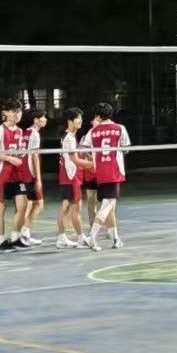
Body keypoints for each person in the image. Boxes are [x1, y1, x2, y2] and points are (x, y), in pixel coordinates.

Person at [85, 102, 131, 251]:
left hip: (100, 172)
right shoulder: (120, 128)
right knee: (107, 207)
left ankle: (116, 239)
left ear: (98, 116)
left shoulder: (92, 132)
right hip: (114, 172)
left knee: (109, 206)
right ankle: (92, 236)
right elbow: (126, 148)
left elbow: (86, 149)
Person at [56, 107, 93, 249]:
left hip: (66, 178)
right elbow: (75, 160)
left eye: (81, 119)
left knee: (65, 210)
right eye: (78, 118)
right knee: (75, 210)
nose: (80, 121)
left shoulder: (69, 136)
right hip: (71, 179)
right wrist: (94, 164)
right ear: (69, 121)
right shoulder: (69, 138)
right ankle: (81, 238)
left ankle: (61, 238)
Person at [0, 100, 26, 251]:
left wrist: (20, 155)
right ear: (5, 113)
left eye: (18, 111)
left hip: (17, 173)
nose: (16, 114)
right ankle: (1, 241)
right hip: (2, 173)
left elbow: (18, 151)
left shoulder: (19, 131)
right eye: (13, 111)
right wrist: (9, 158)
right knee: (1, 206)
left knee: (22, 204)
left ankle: (14, 238)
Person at [17, 109, 47, 246]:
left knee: (30, 205)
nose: (45, 119)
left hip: (23, 173)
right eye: (43, 117)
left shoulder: (25, 132)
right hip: (30, 174)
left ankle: (24, 234)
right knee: (39, 205)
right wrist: (38, 179)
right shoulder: (34, 133)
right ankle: (24, 234)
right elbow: (34, 157)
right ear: (36, 120)